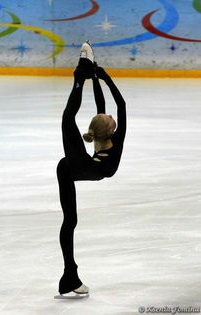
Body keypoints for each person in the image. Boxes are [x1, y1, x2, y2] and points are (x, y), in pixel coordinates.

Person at [56, 41, 127, 296]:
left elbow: (113, 106)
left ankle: (80, 75)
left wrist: (99, 76)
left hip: (82, 168)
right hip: (77, 168)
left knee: (67, 119)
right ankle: (70, 275)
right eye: (108, 118)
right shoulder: (113, 135)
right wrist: (99, 76)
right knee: (70, 220)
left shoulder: (110, 137)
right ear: (109, 129)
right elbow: (118, 106)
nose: (110, 115)